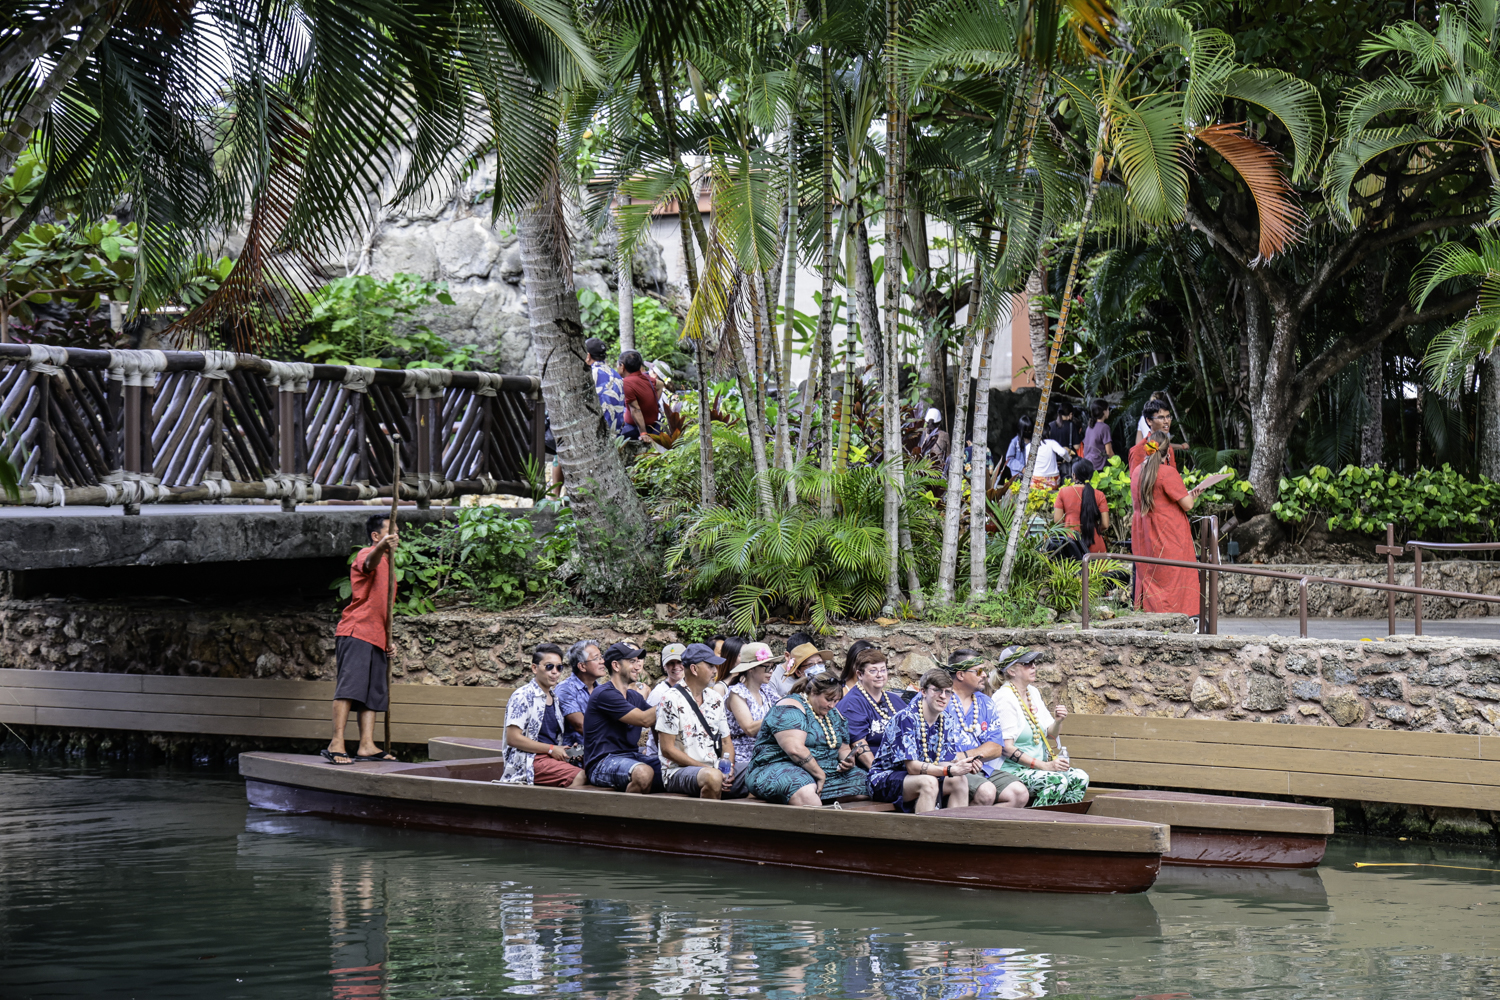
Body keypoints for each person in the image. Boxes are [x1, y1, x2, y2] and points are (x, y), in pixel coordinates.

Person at [325, 513, 400, 765]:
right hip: (356, 631)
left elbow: (385, 607)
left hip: (377, 636)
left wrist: (389, 639)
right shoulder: (367, 554)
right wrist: (381, 547)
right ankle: (336, 742)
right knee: (349, 688)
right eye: (390, 531)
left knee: (372, 693)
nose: (395, 535)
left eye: (396, 531)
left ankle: (366, 745)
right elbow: (369, 562)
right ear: (376, 536)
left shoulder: (390, 565)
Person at [745, 670, 870, 806]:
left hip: (827, 771)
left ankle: (827, 801)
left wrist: (848, 759)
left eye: (836, 701)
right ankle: (820, 819)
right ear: (813, 693)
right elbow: (795, 749)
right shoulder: (790, 707)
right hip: (781, 767)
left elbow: (843, 747)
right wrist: (820, 775)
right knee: (804, 789)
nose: (832, 705)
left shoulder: (833, 713)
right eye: (828, 700)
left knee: (870, 783)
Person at [868, 669, 977, 813]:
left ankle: (955, 833)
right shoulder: (906, 718)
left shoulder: (947, 721)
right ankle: (925, 834)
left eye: (948, 692)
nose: (943, 696)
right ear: (923, 692)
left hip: (920, 777)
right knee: (929, 782)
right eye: (937, 690)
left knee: (960, 780)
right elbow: (912, 767)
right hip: (885, 779)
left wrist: (964, 765)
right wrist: (948, 770)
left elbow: (944, 761)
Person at [993, 646, 1089, 807]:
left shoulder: (1032, 692)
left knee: (1080, 777)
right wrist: (1045, 766)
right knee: (1056, 781)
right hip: (1011, 770)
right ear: (1011, 671)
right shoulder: (1004, 698)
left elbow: (1050, 735)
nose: (1033, 666)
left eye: (1034, 662)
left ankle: (1063, 822)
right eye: (1027, 663)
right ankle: (1038, 826)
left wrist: (1058, 721)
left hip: (1037, 766)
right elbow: (1006, 748)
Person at [1131, 430, 1204, 615]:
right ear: (1168, 452)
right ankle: (1174, 620)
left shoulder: (1138, 471)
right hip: (1168, 534)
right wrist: (1193, 496)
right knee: (1173, 579)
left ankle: (1151, 618)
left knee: (1150, 577)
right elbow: (1187, 505)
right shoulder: (1167, 473)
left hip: (1144, 534)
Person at [943, 650, 1028, 807]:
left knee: (1019, 793)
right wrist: (958, 760)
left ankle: (987, 829)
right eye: (979, 671)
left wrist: (969, 757)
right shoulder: (940, 698)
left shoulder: (985, 702)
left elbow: (996, 747)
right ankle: (964, 829)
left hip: (980, 767)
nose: (985, 676)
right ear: (961, 675)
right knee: (986, 792)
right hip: (946, 769)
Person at [500, 643, 586, 787]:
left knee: (596, 770)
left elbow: (551, 740)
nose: (555, 672)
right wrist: (551, 749)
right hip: (527, 762)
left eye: (559, 667)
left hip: (550, 759)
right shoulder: (522, 696)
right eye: (549, 666)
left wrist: (567, 751)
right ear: (534, 668)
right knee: (581, 776)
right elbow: (513, 738)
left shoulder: (555, 698)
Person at [655, 643, 734, 798]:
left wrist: (728, 768)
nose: (715, 671)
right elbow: (667, 749)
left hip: (714, 767)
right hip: (677, 771)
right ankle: (709, 820)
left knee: (757, 773)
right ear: (694, 669)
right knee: (712, 778)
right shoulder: (671, 698)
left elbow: (726, 742)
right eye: (711, 666)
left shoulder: (715, 698)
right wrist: (708, 769)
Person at [581, 642, 660, 793]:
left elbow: (656, 720)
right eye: (632, 662)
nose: (638, 667)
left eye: (638, 661)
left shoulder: (635, 696)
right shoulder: (604, 694)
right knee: (643, 773)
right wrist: (673, 698)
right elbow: (645, 719)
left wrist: (663, 754)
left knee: (671, 770)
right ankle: (626, 815)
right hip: (602, 762)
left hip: (632, 757)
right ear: (616, 666)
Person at [835, 647, 902, 767]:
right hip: (874, 768)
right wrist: (877, 772)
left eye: (883, 670)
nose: (879, 675)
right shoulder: (852, 703)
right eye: (873, 671)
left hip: (901, 763)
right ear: (860, 674)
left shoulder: (895, 700)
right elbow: (858, 743)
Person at [726, 642, 777, 775]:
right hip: (743, 756)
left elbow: (785, 706)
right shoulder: (737, 693)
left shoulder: (766, 690)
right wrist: (777, 715)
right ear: (751, 669)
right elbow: (749, 729)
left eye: (773, 667)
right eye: (766, 667)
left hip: (766, 752)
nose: (771, 671)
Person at [1053, 458, 1110, 555]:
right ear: (1091, 476)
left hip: (1070, 544)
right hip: (1095, 544)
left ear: (1074, 475)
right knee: (1097, 570)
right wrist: (1096, 530)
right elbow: (1105, 524)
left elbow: (1058, 520)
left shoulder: (1063, 492)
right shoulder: (1099, 495)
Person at [556, 639, 606, 747]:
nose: (602, 661)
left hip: (602, 749)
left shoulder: (602, 690)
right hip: (576, 754)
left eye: (601, 657)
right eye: (596, 658)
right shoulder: (565, 689)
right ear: (582, 666)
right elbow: (581, 726)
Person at [767, 634, 834, 699]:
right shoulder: (771, 677)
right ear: (787, 656)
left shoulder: (820, 680)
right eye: (810, 664)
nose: (816, 667)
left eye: (820, 662)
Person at [585, 337, 626, 435]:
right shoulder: (616, 375)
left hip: (598, 434)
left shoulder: (590, 374)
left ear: (588, 356)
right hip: (617, 434)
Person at [1128, 399, 1183, 471]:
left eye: (1168, 416)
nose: (1167, 421)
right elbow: (1135, 481)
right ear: (1149, 421)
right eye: (1161, 417)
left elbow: (1173, 475)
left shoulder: (1169, 448)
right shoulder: (1137, 451)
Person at [620, 349, 660, 440]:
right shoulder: (647, 378)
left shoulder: (627, 382)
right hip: (654, 425)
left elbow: (635, 409)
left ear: (622, 366)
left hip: (635, 429)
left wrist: (643, 433)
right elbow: (660, 385)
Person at [1082, 399, 1114, 469]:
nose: (1109, 412)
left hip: (1087, 463)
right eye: (1108, 409)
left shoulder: (1089, 426)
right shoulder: (1105, 427)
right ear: (1104, 412)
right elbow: (1109, 452)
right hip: (1098, 465)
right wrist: (1117, 463)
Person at [1003, 415, 1033, 480]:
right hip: (1018, 476)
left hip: (1032, 475)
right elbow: (1009, 459)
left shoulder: (1033, 441)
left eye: (1029, 430)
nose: (1028, 432)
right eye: (1026, 430)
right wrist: (1021, 468)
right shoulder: (1015, 442)